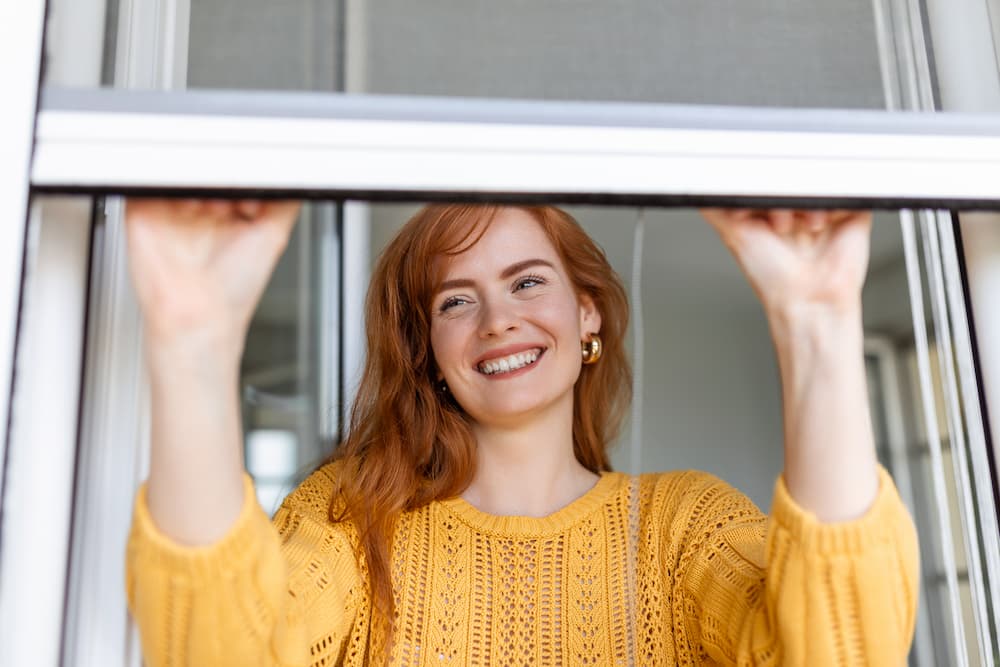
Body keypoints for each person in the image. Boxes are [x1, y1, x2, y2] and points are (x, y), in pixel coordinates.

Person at [123, 199, 918, 666]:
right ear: (429, 350)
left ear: (587, 312)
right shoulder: (348, 521)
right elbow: (224, 646)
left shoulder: (683, 528)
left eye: (527, 281)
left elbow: (845, 645)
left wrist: (816, 318)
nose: (498, 320)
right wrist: (191, 337)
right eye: (455, 300)